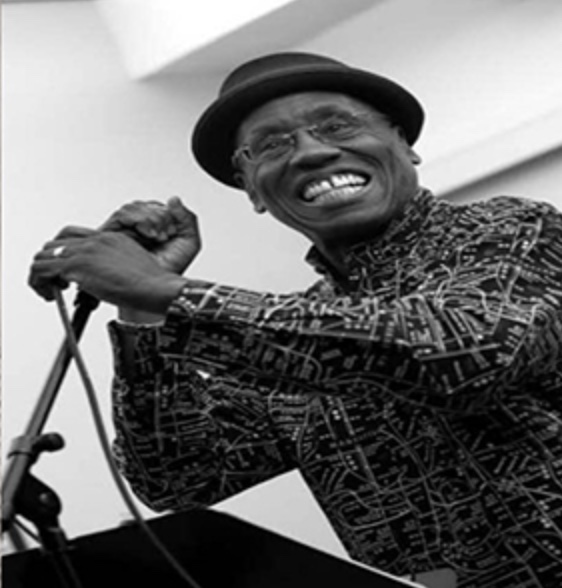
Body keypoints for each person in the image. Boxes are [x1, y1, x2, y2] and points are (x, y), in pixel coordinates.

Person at [29, 53, 562, 587]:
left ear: (405, 144)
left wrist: (163, 291)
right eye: (271, 145)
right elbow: (179, 477)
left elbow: (469, 354)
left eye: (338, 125)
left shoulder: (514, 231)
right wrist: (142, 311)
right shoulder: (290, 339)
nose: (311, 151)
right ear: (252, 190)